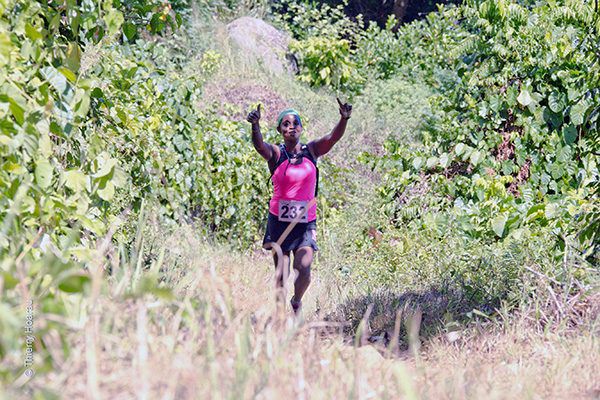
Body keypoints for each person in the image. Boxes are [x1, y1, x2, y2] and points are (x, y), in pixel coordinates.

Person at [246, 98, 352, 314]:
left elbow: (332, 139)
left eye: (295, 123)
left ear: (301, 128)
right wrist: (255, 126)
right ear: (279, 130)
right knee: (282, 273)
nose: (290, 127)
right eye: (285, 124)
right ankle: (278, 315)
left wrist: (344, 118)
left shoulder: (311, 151)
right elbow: (260, 146)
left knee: (304, 269)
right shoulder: (276, 154)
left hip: (305, 222)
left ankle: (296, 302)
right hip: (279, 221)